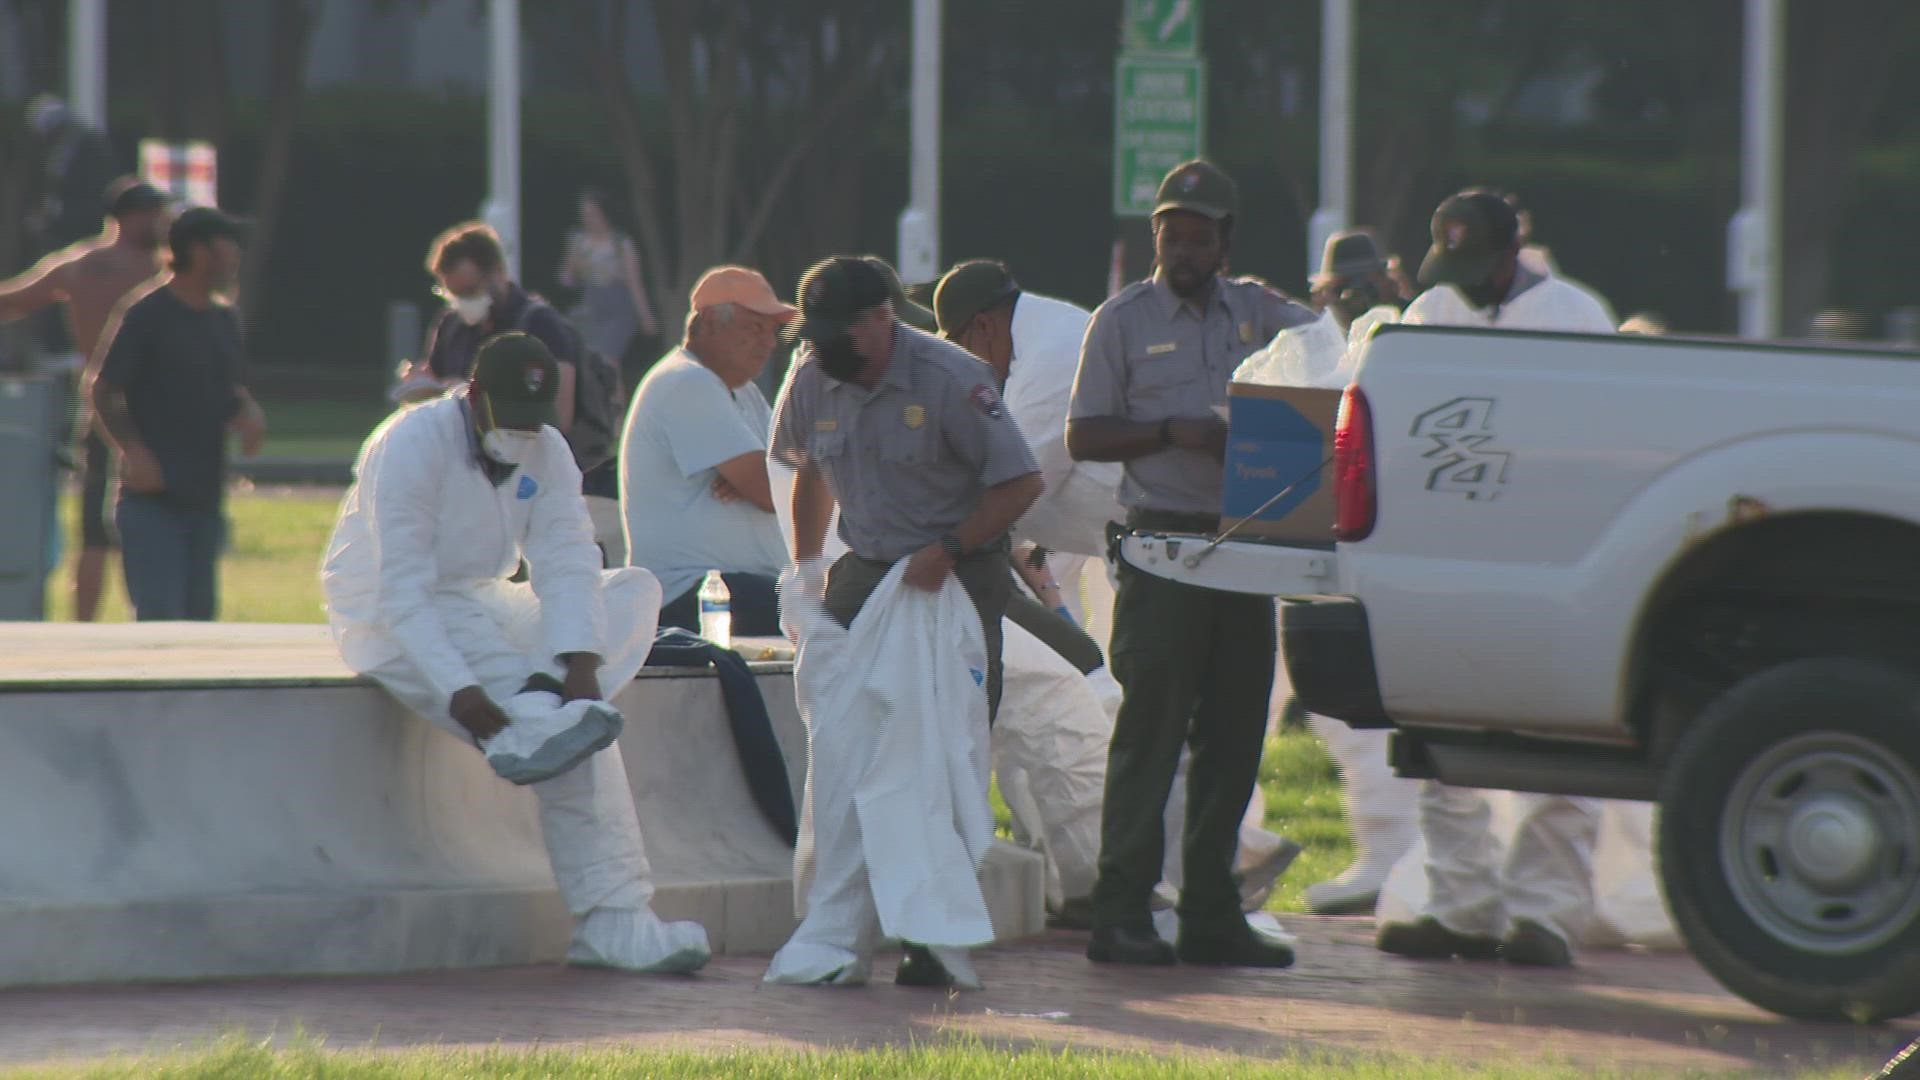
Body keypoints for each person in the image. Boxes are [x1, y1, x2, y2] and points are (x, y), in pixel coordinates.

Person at [321, 331, 711, 975]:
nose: (521, 438)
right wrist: (460, 691)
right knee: (576, 738)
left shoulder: (546, 446)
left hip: (483, 597)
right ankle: (615, 920)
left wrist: (578, 663)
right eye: (510, 422)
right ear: (472, 397)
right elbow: (404, 592)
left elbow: (566, 555)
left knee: (630, 593)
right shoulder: (411, 445)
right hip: (390, 612)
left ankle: (534, 711)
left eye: (535, 424)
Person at [767, 254, 1043, 989]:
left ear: (881, 319)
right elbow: (810, 471)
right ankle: (842, 926)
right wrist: (806, 565)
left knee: (945, 747)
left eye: (841, 336)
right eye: (818, 336)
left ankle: (930, 933)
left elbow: (1020, 481)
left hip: (955, 573)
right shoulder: (813, 376)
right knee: (846, 750)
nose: (828, 351)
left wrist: (949, 548)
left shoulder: (952, 379)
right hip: (868, 571)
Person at [1066, 159, 1314, 969]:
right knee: (1151, 735)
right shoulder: (1122, 321)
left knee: (1237, 735)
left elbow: (1327, 351)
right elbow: (1086, 435)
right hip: (1164, 546)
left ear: (1226, 242)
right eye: (1171, 233)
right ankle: (1121, 913)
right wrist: (1175, 431)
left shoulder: (1259, 312)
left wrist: (1324, 315)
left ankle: (1212, 913)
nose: (1182, 248)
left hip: (1246, 546)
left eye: (1199, 236)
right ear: (1156, 236)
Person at [1376, 188, 1616, 968]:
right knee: (1442, 737)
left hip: (1553, 559)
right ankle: (1461, 906)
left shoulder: (1578, 316)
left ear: (1514, 252)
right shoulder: (1433, 310)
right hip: (1450, 556)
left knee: (1562, 737)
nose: (1465, 282)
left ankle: (1547, 914)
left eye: (1477, 265)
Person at [405, 222, 624, 565]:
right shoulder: (452, 325)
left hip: (530, 475)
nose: (463, 302)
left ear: (497, 273)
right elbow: (434, 376)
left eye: (470, 290)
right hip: (466, 474)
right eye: (452, 294)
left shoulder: (540, 325)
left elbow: (558, 416)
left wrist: (467, 396)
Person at [0, 177, 169, 620]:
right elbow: (15, 299)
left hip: (135, 399)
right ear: (124, 217)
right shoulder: (141, 268)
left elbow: (13, 300)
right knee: (98, 521)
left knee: (112, 520)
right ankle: (86, 624)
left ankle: (121, 618)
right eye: (150, 213)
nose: (158, 221)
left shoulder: (86, 265)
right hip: (111, 401)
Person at [88, 206, 265, 622]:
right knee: (160, 623)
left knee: (200, 627)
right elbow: (102, 388)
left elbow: (223, 390)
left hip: (204, 498)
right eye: (228, 244)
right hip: (152, 502)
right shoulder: (147, 312)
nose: (236, 254)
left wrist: (248, 412)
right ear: (198, 250)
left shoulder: (223, 319)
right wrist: (132, 451)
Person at [621, 265, 794, 636]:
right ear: (711, 322)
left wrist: (762, 473)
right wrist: (764, 475)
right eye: (755, 328)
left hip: (738, 587)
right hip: (691, 592)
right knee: (830, 615)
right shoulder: (687, 381)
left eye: (773, 331)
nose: (770, 342)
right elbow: (771, 491)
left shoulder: (742, 391)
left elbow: (779, 475)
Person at [557, 188, 659, 364]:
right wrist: (575, 269)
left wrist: (646, 317)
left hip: (618, 307)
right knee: (593, 364)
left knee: (607, 360)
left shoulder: (621, 243)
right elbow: (567, 279)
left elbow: (635, 283)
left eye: (593, 214)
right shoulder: (578, 241)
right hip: (591, 306)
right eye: (585, 214)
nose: (588, 219)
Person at [1307, 229, 1407, 332]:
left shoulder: (1410, 318)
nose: (1356, 291)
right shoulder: (1315, 330)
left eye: (1367, 282)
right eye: (1345, 284)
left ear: (1385, 281)